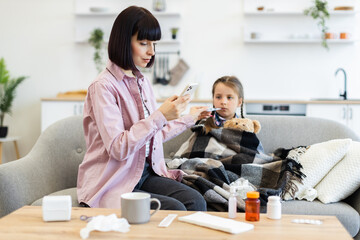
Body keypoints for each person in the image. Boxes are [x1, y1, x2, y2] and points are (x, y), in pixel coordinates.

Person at [77, 6, 208, 211]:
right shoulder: (102, 87)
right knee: (176, 208)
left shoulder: (142, 82)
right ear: (123, 41)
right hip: (115, 179)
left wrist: (190, 118)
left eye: (154, 44)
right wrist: (159, 116)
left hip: (144, 172)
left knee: (196, 201)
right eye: (143, 43)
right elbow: (119, 149)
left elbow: (153, 135)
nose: (151, 52)